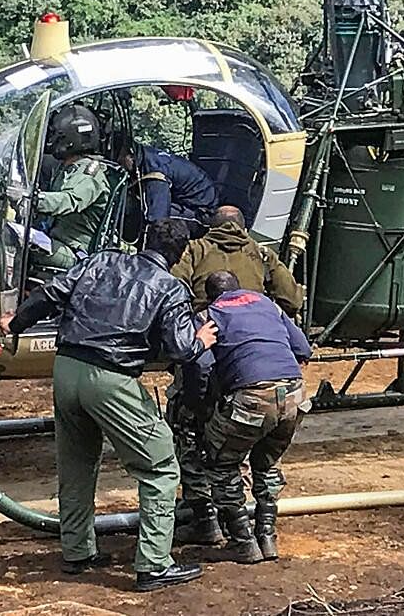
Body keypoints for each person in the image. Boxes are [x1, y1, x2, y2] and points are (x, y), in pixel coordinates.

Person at [0, 219, 216, 592]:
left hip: (66, 369)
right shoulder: (169, 288)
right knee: (161, 467)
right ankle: (154, 564)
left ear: (142, 241)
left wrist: (15, 323)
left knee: (77, 463)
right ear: (179, 255)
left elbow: (50, 295)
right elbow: (181, 350)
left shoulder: (99, 262)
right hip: (112, 378)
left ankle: (77, 551)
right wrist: (202, 339)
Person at [165, 205, 303, 547]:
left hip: (206, 352)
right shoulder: (261, 253)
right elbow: (291, 298)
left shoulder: (195, 250)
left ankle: (208, 523)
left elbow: (171, 288)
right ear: (243, 227)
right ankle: (264, 532)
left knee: (193, 438)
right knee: (262, 454)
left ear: (211, 226)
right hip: (272, 381)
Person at [193, 270, 312, 564]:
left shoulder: (209, 314)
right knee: (267, 462)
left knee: (222, 463)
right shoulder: (266, 303)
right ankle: (267, 537)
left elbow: (202, 367)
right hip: (294, 395)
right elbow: (303, 348)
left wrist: (203, 405)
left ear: (210, 295)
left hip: (251, 397)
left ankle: (242, 541)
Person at [0, 104, 112, 291]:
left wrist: (31, 199)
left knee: (5, 236)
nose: (50, 140)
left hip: (71, 252)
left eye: (55, 135)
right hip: (49, 240)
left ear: (69, 139)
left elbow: (67, 201)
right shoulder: (64, 167)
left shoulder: (90, 173)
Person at [170, 205, 302, 315]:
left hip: (206, 327)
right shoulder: (263, 254)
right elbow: (292, 302)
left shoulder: (194, 249)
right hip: (253, 325)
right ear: (244, 230)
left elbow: (174, 290)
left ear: (211, 229)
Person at [121, 141, 219, 241]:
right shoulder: (148, 156)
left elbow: (158, 217)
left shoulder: (155, 171)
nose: (120, 165)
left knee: (146, 218)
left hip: (200, 214)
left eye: (120, 160)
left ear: (131, 156)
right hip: (189, 202)